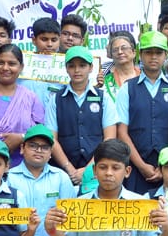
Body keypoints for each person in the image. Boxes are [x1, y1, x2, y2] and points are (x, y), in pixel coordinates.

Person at [115, 30, 168, 194]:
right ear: (140, 55)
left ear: (166, 55)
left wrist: (166, 165)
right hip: (135, 163)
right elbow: (122, 132)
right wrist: (141, 165)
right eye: (148, 52)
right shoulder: (127, 88)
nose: (153, 57)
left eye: (158, 52)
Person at [47, 45, 116, 187]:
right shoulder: (55, 99)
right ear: (66, 68)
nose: (77, 70)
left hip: (97, 172)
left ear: (91, 68)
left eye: (82, 65)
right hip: (64, 174)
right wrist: (69, 169)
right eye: (72, 66)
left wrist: (88, 169)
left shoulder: (104, 98)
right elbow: (52, 139)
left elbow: (109, 138)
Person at [19, 17, 63, 104]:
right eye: (44, 39)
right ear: (34, 40)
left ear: (59, 40)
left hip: (55, 115)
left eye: (54, 40)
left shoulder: (66, 65)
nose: (49, 44)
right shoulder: (20, 62)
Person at [101, 31, 139, 103]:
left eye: (124, 48)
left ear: (134, 52)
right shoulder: (104, 78)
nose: (120, 52)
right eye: (115, 49)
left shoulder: (144, 75)